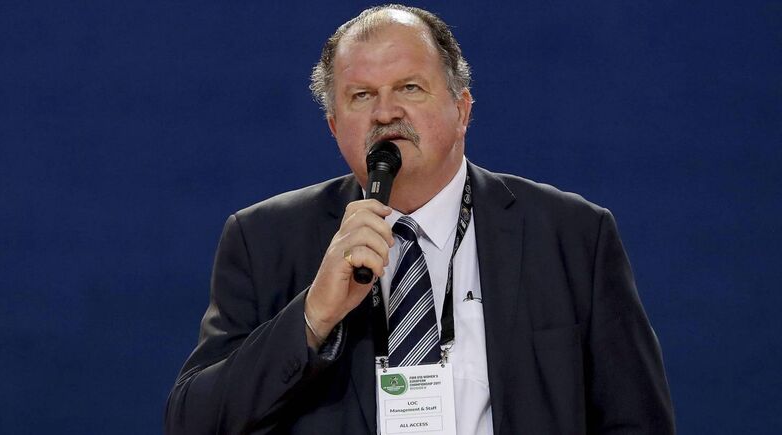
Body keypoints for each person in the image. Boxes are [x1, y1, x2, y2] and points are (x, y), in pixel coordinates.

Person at [165, 4, 675, 434]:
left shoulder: (571, 236)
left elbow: (637, 420)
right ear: (334, 126)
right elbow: (192, 421)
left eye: (409, 88)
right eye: (361, 96)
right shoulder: (264, 240)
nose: (385, 113)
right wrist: (312, 318)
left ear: (462, 110)